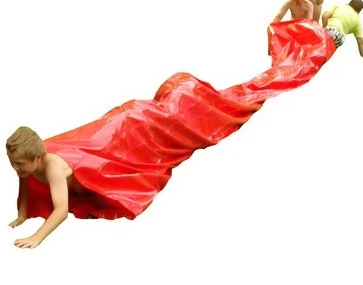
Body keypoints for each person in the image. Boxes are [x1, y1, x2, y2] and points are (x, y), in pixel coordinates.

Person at [5, 21, 337, 249]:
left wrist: (37, 237)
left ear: (37, 156)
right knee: (138, 117)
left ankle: (324, 40)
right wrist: (21, 214)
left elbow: (60, 211)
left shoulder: (51, 166)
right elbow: (25, 184)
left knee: (198, 114)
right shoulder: (29, 166)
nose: (16, 169)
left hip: (135, 126)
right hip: (123, 124)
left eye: (20, 164)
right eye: (13, 164)